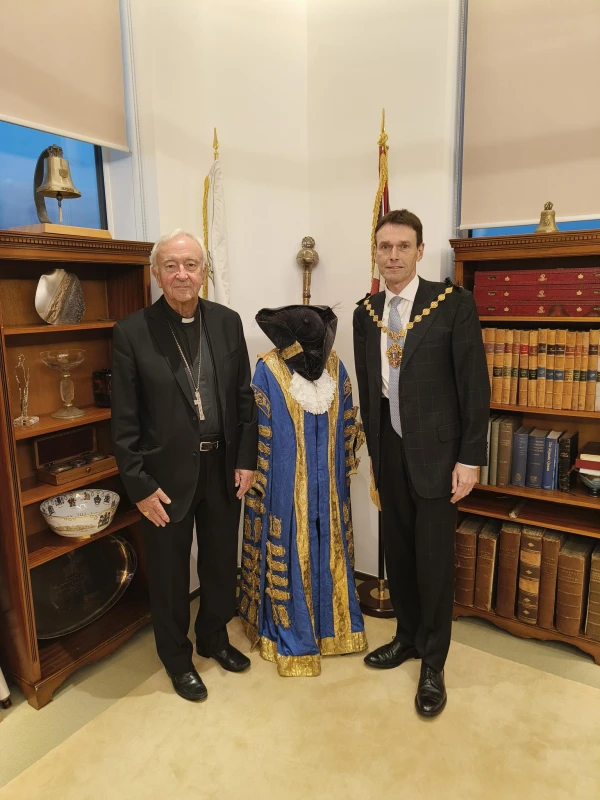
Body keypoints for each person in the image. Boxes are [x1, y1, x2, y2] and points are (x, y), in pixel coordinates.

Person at [353, 209, 489, 717]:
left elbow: (474, 385)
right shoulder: (366, 311)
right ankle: (407, 637)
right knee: (400, 553)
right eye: (384, 247)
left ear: (419, 250)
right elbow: (371, 390)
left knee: (433, 563)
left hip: (438, 455)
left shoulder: (451, 304)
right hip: (389, 452)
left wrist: (470, 458)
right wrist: (372, 451)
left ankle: (434, 662)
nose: (392, 256)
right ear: (376, 251)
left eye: (402, 247)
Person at [111, 229, 257, 702]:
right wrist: (139, 486)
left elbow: (242, 400)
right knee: (172, 575)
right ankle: (176, 658)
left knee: (218, 565)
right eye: (171, 265)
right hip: (164, 480)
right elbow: (125, 421)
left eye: (191, 264)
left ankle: (214, 638)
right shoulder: (133, 332)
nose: (182, 274)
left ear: (204, 272)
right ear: (156, 273)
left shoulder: (228, 322)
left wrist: (245, 460)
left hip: (222, 469)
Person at [239, 305, 367, 676]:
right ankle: (292, 631)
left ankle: (336, 627)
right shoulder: (268, 369)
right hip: (283, 482)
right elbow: (259, 434)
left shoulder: (336, 368)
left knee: (330, 542)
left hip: (329, 483)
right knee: (290, 544)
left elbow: (346, 425)